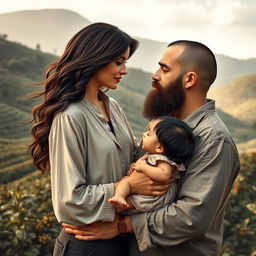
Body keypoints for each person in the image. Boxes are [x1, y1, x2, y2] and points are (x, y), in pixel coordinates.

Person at [63, 40, 240, 256]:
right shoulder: (162, 123)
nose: (155, 75)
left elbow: (191, 216)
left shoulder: (213, 139)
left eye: (164, 69)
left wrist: (122, 225)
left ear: (189, 79)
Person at [28, 23, 172, 256]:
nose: (124, 70)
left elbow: (133, 154)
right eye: (118, 62)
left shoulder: (112, 106)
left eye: (125, 62)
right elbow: (69, 201)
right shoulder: (70, 117)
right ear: (95, 58)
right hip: (87, 244)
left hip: (118, 238)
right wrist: (127, 186)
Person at [108, 116, 195, 213]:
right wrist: (135, 167)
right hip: (147, 193)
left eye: (148, 134)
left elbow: (164, 175)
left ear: (159, 147)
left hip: (153, 197)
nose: (144, 134)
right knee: (125, 180)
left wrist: (143, 167)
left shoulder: (163, 161)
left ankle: (120, 199)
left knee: (126, 182)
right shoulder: (151, 155)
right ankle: (121, 200)